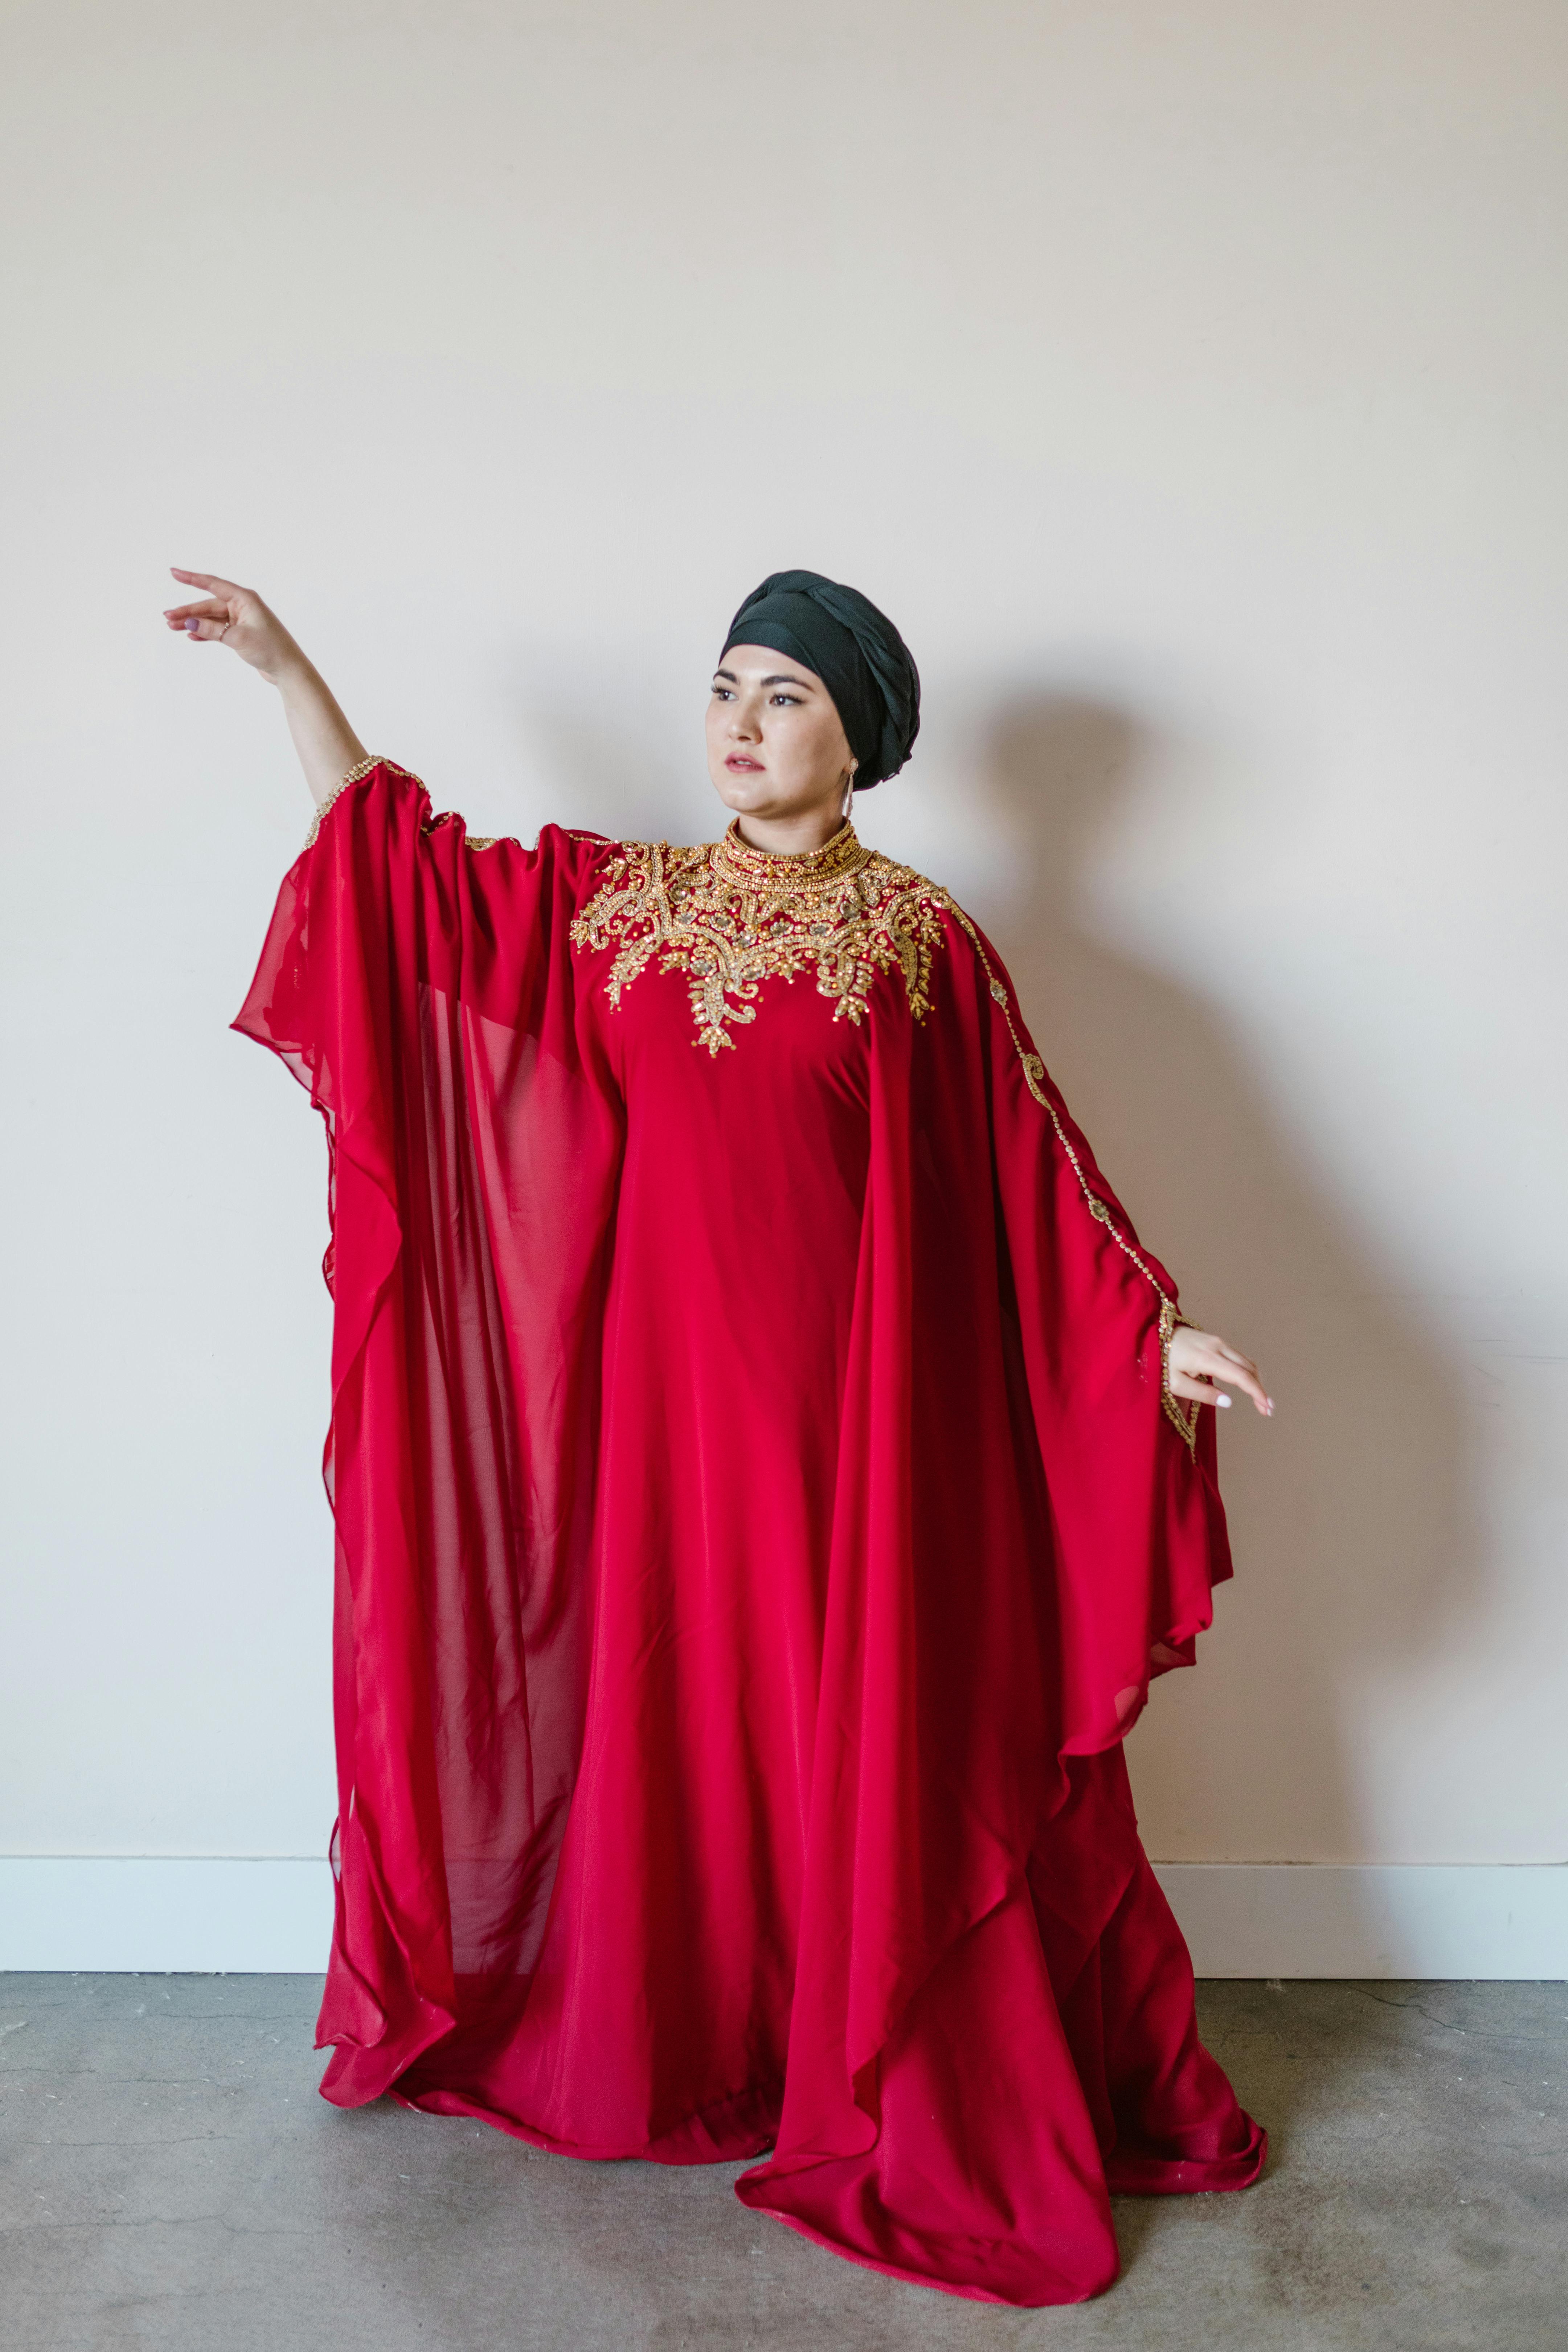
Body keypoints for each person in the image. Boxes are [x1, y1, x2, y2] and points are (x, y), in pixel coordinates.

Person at [166, 563, 1273, 2308]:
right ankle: (715, 2037)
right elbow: (405, 873)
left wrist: (1152, 1329)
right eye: (728, 688)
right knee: (690, 1712)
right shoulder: (618, 906)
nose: (741, 726)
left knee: (850, 1721)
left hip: (852, 1434)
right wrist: (287, 667)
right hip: (653, 1422)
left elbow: (1036, 1169)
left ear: (858, 741)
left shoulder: (916, 940)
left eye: (786, 698)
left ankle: (873, 2057)